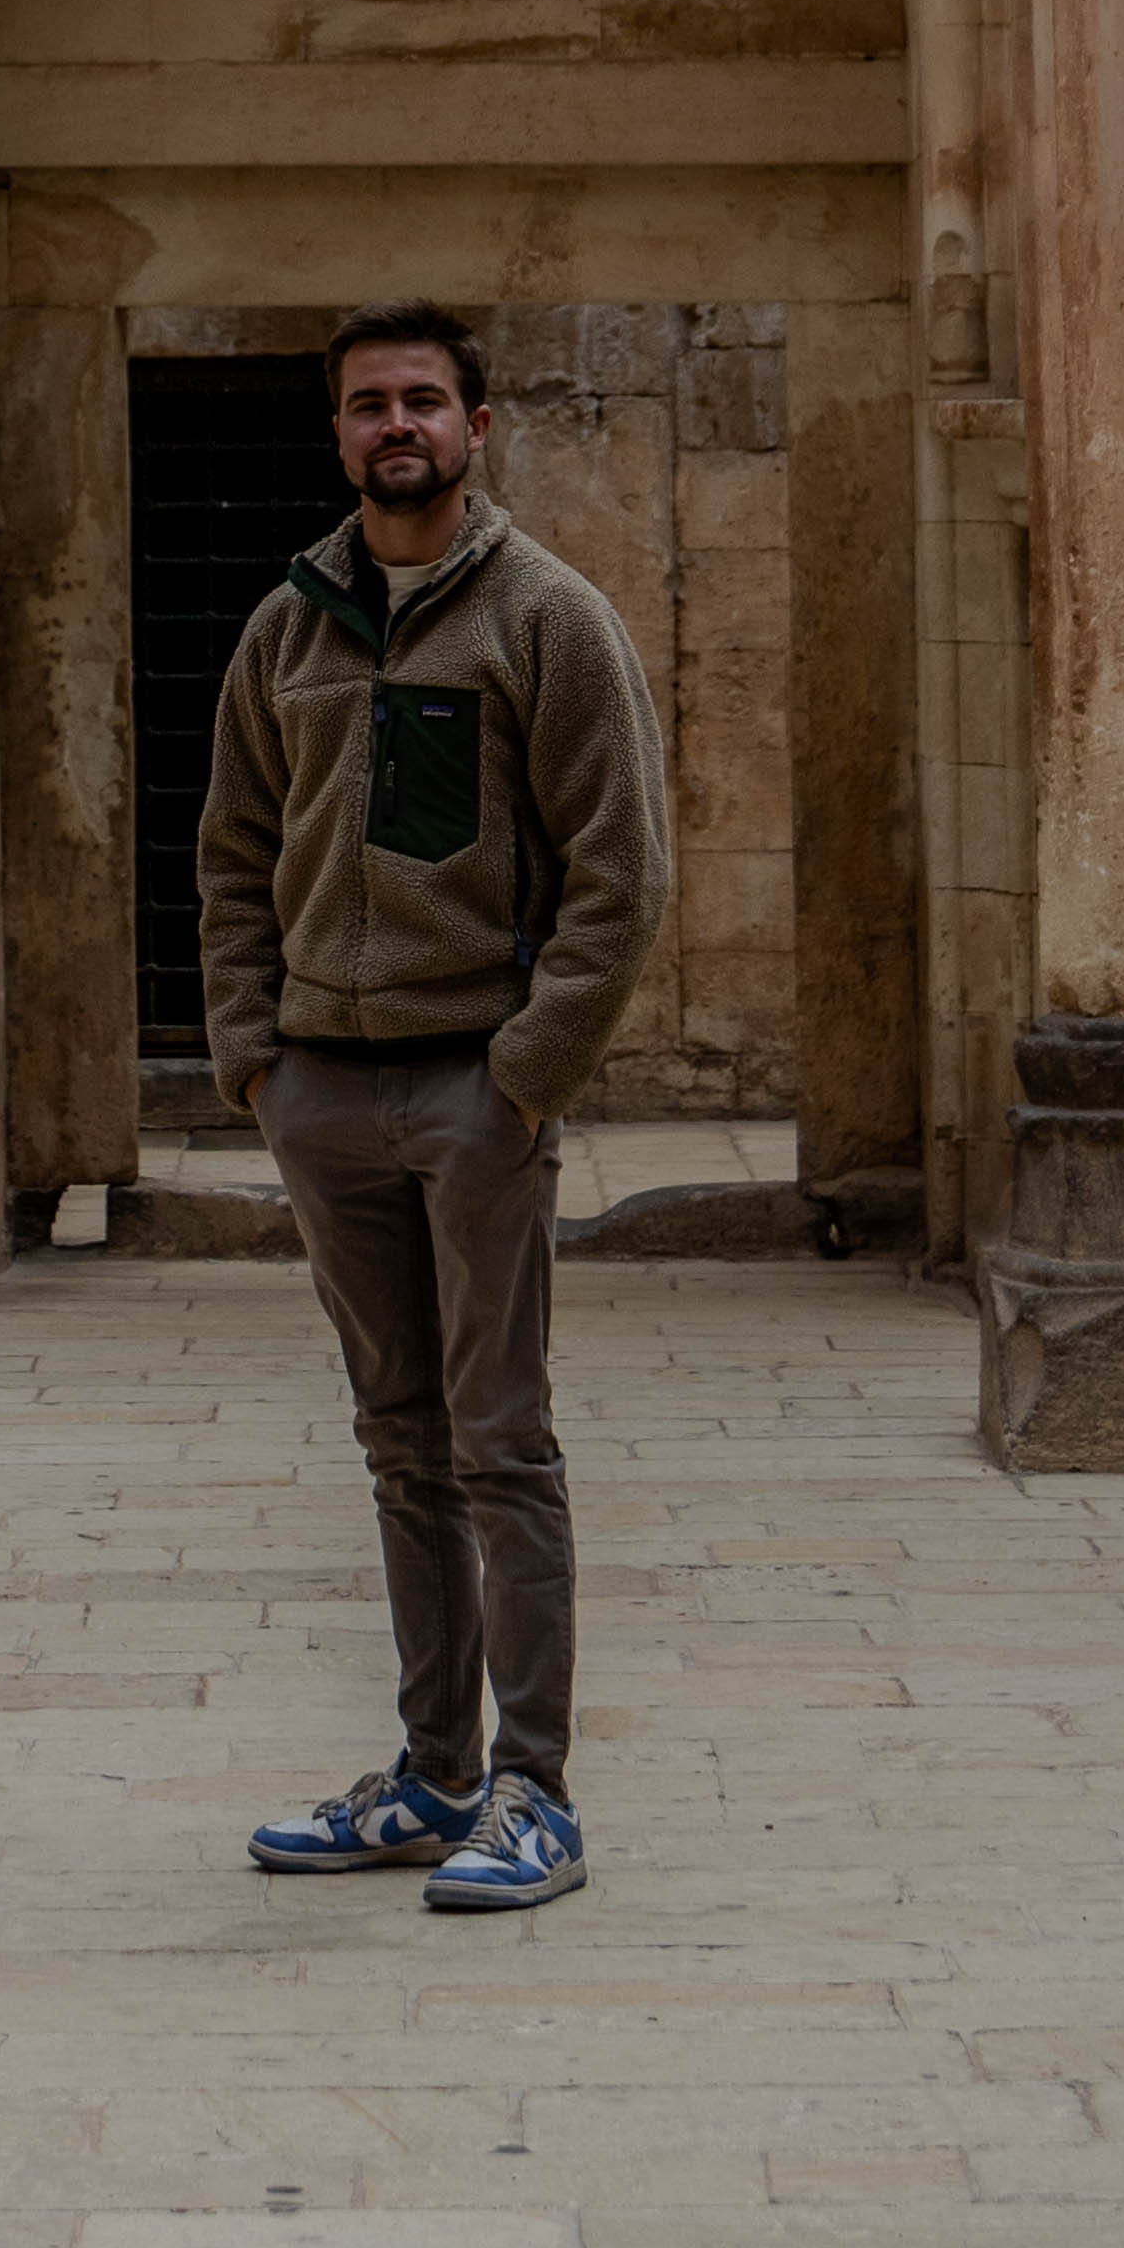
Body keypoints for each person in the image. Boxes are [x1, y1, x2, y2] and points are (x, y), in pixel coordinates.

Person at [195, 303, 674, 1913]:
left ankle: (535, 1791)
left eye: (422, 401)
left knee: (499, 1445)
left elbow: (623, 877)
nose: (393, 425)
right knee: (401, 1446)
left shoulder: (549, 619)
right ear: (337, 435)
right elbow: (232, 857)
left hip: (475, 1089)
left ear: (477, 425)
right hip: (327, 1096)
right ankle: (431, 1776)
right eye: (364, 406)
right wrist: (258, 1062)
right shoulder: (288, 627)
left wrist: (524, 1082)